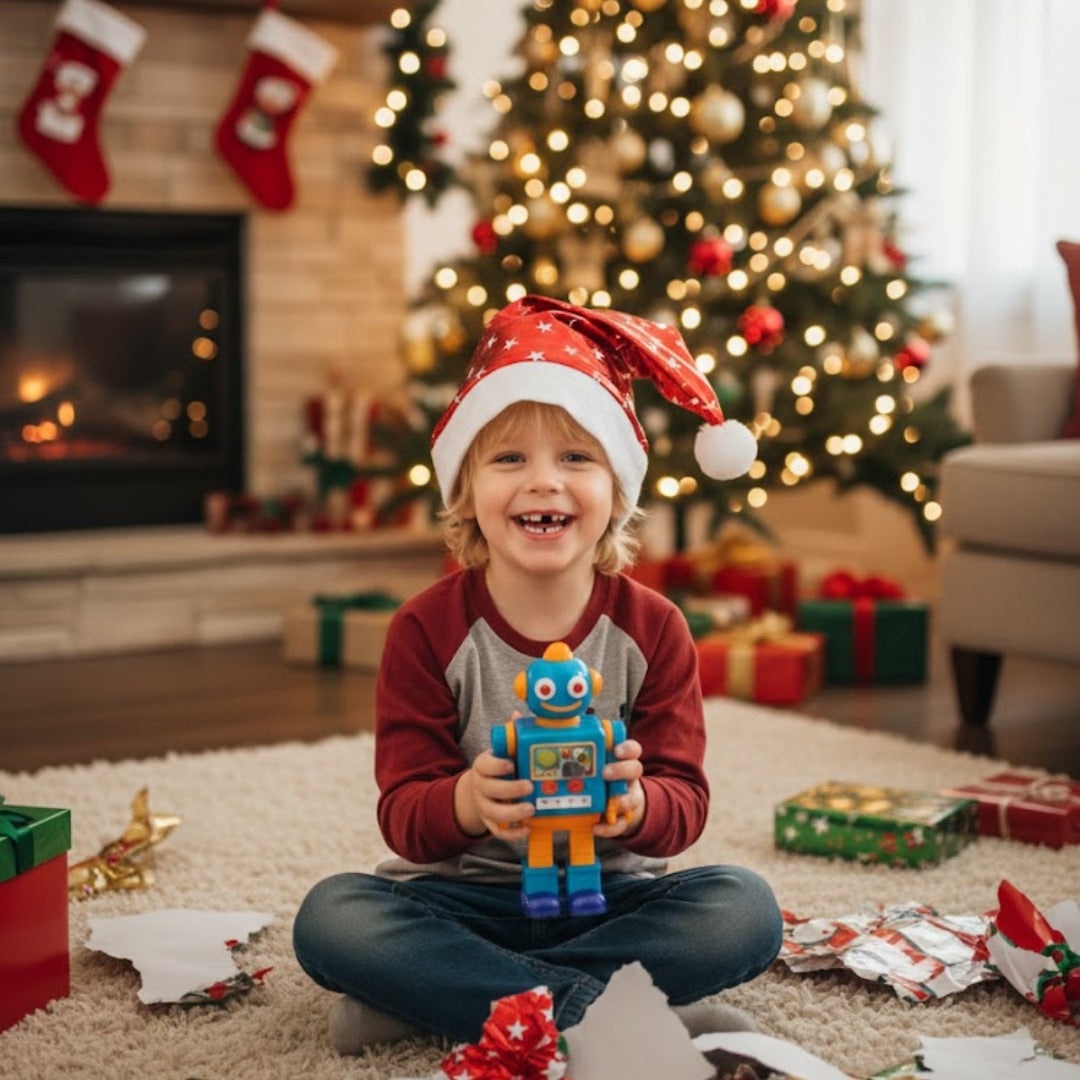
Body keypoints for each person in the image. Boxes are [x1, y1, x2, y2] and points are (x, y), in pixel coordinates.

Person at [293, 294, 782, 1053]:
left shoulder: (655, 629)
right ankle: (613, 1021)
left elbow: (684, 802)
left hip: (611, 896)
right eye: (509, 457)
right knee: (334, 917)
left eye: (576, 457)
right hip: (464, 898)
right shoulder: (424, 630)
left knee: (745, 907)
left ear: (617, 489)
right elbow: (404, 815)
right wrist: (466, 800)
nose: (544, 482)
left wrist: (634, 802)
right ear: (466, 491)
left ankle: (449, 1004)